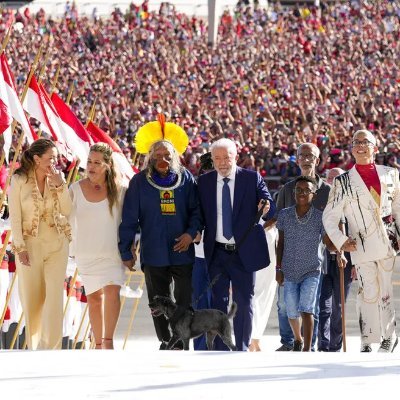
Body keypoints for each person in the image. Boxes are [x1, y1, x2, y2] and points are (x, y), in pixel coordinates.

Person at [119, 116, 201, 350]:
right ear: (150, 157)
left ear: (175, 156)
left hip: (182, 250)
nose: (162, 159)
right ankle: (166, 341)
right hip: (154, 252)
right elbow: (129, 219)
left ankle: (181, 340)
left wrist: (190, 234)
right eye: (157, 155)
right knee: (158, 302)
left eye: (167, 155)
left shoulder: (186, 178)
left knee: (185, 301)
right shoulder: (139, 182)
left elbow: (196, 211)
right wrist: (126, 250)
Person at [323, 129, 399, 353]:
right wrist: (341, 240)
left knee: (386, 290)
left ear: (375, 148)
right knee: (367, 291)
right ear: (352, 149)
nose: (360, 145)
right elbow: (330, 216)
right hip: (360, 244)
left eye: (366, 142)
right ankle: (367, 339)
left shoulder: (390, 174)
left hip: (388, 242)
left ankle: (389, 336)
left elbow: (397, 207)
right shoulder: (342, 181)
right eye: (356, 142)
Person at [198, 138, 275, 351]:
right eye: (217, 158)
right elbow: (198, 213)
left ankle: (241, 348)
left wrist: (266, 205)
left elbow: (268, 201)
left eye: (227, 158)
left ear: (236, 157)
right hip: (217, 252)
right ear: (212, 160)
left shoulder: (251, 178)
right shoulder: (204, 182)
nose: (222, 163)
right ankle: (220, 350)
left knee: (243, 301)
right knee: (218, 303)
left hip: (243, 251)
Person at [265, 142, 330, 351]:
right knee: (285, 306)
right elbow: (278, 222)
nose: (306, 158)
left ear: (317, 160)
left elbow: (335, 223)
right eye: (302, 155)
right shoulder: (287, 189)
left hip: (316, 259)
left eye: (310, 155)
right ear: (297, 159)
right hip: (289, 260)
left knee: (311, 306)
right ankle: (289, 342)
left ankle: (309, 346)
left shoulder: (327, 191)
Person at [8, 138, 72, 349]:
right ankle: (35, 347)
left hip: (57, 245)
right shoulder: (19, 180)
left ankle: (51, 349)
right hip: (30, 246)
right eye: (50, 158)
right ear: (36, 158)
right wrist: (20, 247)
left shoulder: (58, 178)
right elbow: (15, 217)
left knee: (54, 297)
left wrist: (60, 186)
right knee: (33, 299)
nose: (54, 162)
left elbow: (67, 210)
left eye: (55, 157)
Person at [69, 143, 126, 349]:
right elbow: (64, 216)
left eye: (96, 163)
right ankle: (98, 343)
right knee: (93, 299)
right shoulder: (75, 188)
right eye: (89, 162)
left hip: (112, 253)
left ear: (108, 165)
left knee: (112, 292)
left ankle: (108, 342)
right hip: (85, 253)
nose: (91, 167)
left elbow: (130, 223)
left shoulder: (121, 191)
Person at [276, 176, 336, 351]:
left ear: (314, 194)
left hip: (312, 269)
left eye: (306, 190)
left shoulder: (320, 217)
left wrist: (340, 243)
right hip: (288, 269)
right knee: (291, 310)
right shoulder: (285, 214)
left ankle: (307, 348)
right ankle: (297, 338)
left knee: (307, 308)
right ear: (294, 193)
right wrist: (278, 268)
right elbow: (280, 244)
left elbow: (328, 242)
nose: (302, 193)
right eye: (298, 190)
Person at [318, 168, 354, 352]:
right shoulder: (321, 201)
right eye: (330, 178)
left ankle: (335, 345)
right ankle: (323, 344)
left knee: (338, 306)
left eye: (337, 178)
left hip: (345, 262)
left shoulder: (351, 202)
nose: (333, 181)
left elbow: (355, 234)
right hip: (323, 260)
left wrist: (355, 262)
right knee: (322, 305)